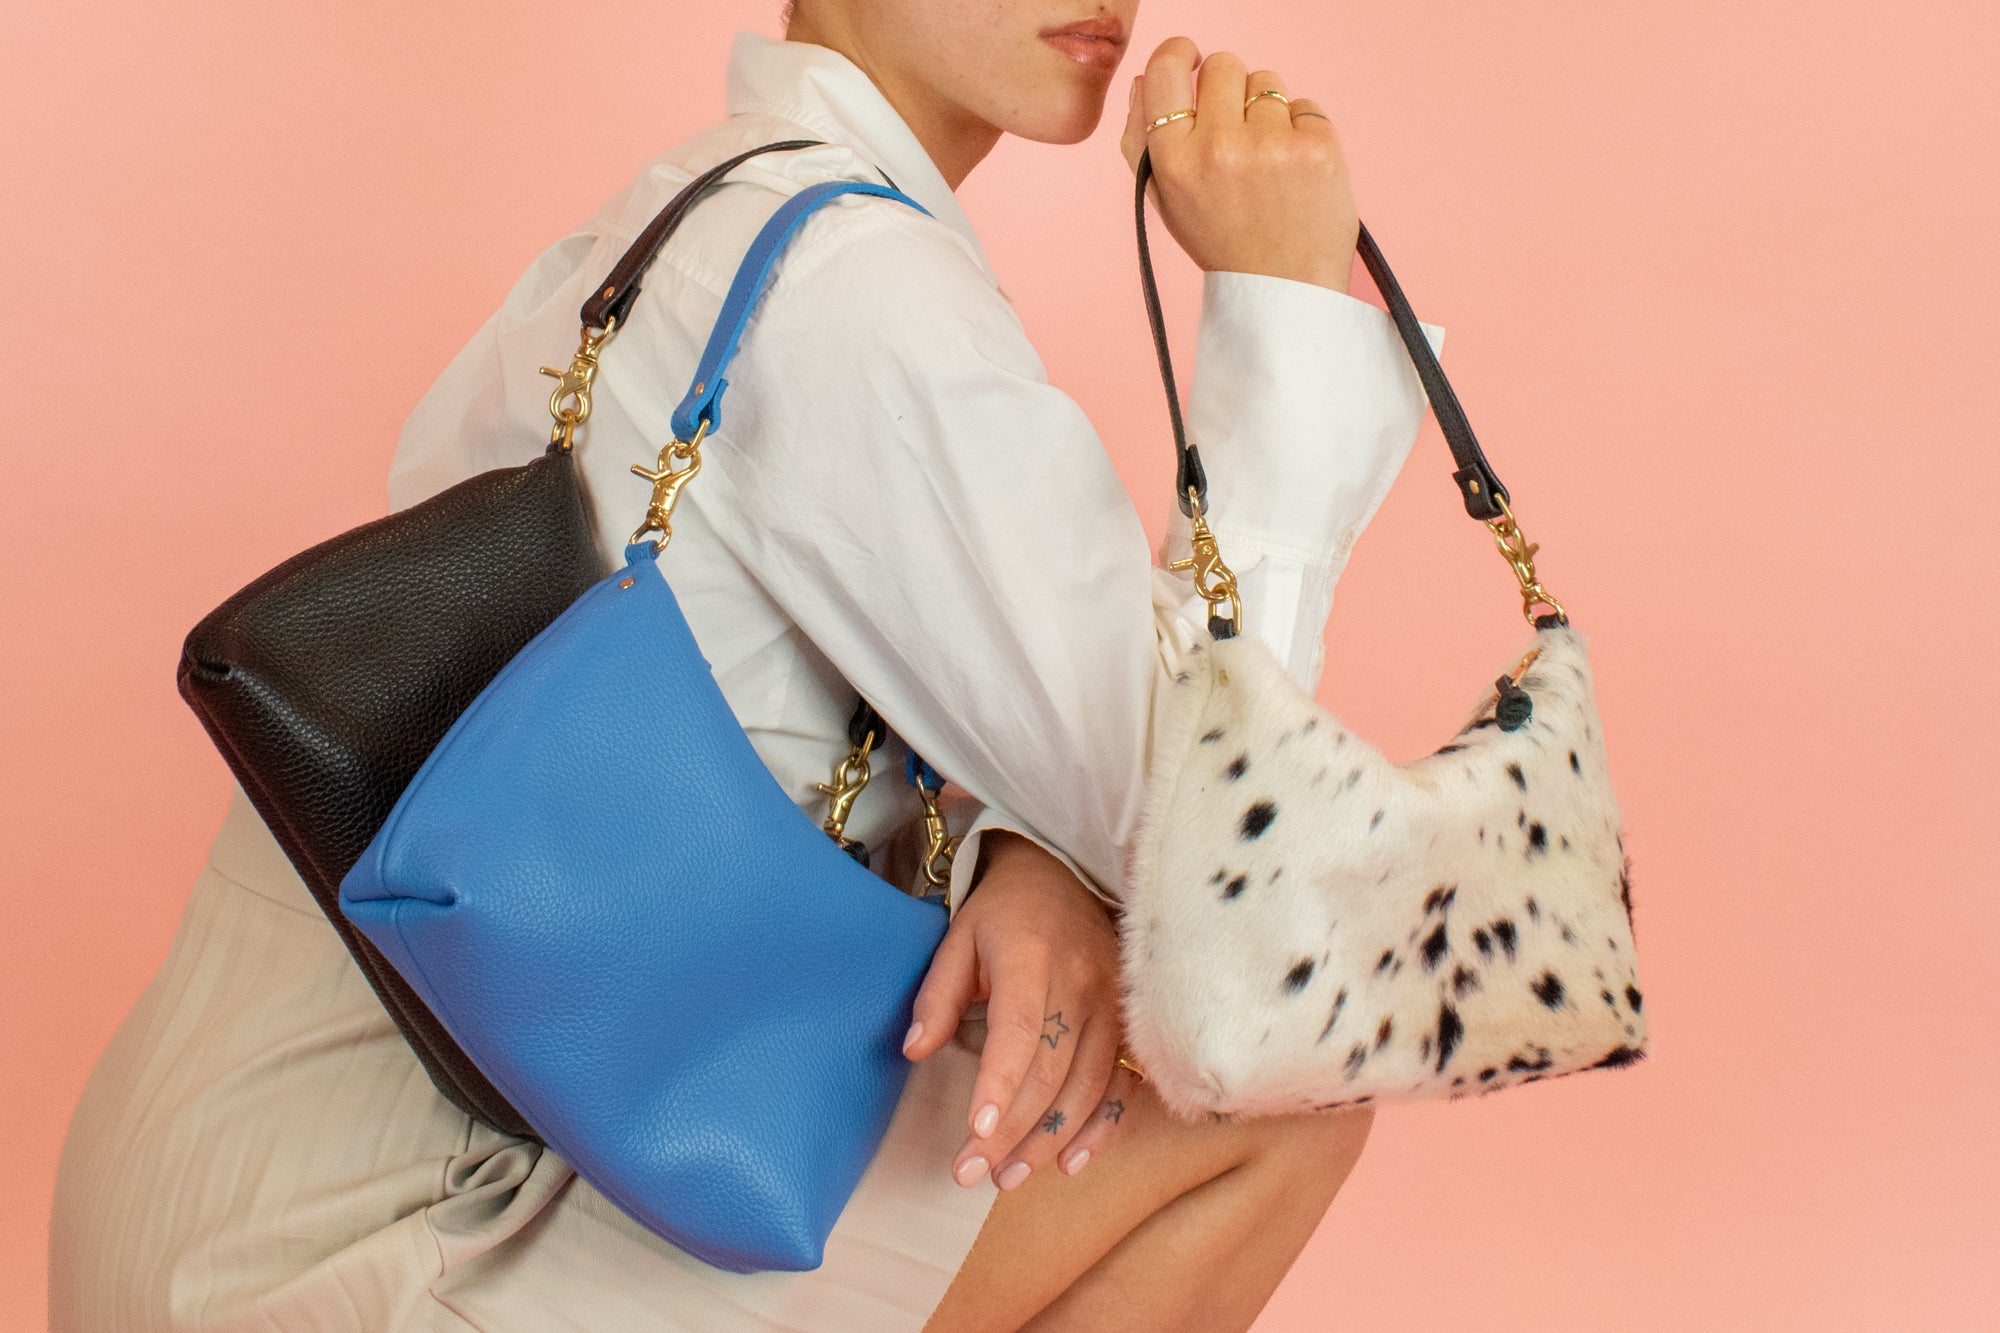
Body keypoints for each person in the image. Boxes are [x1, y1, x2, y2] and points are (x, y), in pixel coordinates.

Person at [49, 2, 1446, 1328]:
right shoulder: (858, 289)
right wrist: (1280, 310)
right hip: (386, 1238)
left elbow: (758, 705)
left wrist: (1028, 850)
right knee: (1278, 1102)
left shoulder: (694, 213)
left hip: (214, 1190)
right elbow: (1236, 881)